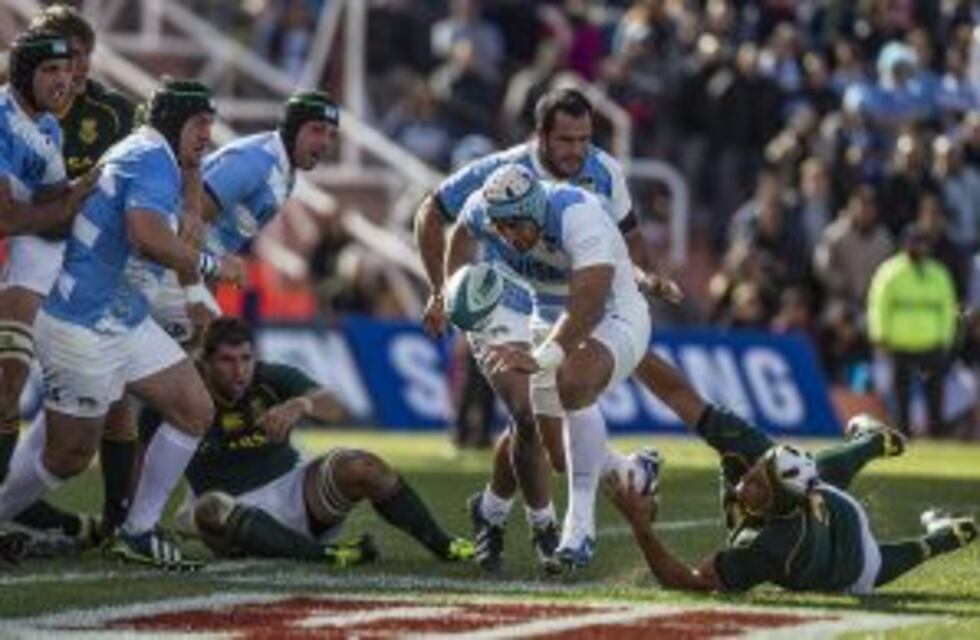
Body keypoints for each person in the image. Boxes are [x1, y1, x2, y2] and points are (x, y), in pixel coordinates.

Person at [415, 87, 679, 572]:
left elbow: (629, 236)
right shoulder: (497, 177)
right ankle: (546, 528)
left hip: (570, 302)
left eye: (585, 139)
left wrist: (647, 275)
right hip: (503, 299)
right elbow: (437, 212)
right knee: (528, 414)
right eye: (566, 140)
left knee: (552, 437)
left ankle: (494, 509)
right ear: (539, 136)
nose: (577, 151)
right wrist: (445, 290)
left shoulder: (597, 180)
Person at [0, 79, 244, 570]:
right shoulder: (150, 160)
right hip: (81, 326)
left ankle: (137, 532)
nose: (207, 136)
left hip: (122, 319)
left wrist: (193, 200)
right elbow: (147, 235)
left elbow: (185, 186)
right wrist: (212, 267)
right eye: (199, 125)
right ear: (174, 122)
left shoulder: (155, 153)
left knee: (194, 409)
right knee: (68, 455)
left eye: (211, 126)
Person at [606, 352, 977, 593]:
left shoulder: (775, 545)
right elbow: (679, 394)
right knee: (810, 469)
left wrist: (640, 527)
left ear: (777, 508)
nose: (744, 483)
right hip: (825, 497)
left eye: (758, 489)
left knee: (886, 562)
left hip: (849, 561)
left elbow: (690, 582)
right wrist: (628, 344)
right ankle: (873, 442)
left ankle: (945, 537)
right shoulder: (758, 454)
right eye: (755, 473)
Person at [447, 163, 656, 572]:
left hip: (613, 311)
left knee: (573, 384)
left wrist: (541, 357)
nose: (508, 237)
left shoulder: (579, 215)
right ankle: (628, 472)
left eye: (515, 227)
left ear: (537, 210)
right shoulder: (484, 208)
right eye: (501, 229)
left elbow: (588, 304)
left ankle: (578, 530)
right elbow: (459, 231)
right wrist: (446, 289)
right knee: (546, 441)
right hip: (529, 308)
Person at [150, 317, 475, 565]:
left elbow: (335, 407)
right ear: (204, 363)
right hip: (233, 514)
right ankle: (329, 555)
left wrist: (301, 404)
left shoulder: (269, 378)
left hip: (298, 492)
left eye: (246, 359)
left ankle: (444, 545)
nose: (240, 371)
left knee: (365, 466)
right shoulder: (180, 393)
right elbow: (135, 449)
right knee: (209, 508)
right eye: (227, 360)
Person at [15, 3, 139, 542]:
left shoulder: (113, 112)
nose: (77, 67)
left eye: (85, 54)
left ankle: (120, 519)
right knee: (9, 370)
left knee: (117, 395)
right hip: (25, 244)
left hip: (88, 258)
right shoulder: (13, 104)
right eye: (67, 55)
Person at [0, 27, 100, 542]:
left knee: (10, 381)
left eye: (69, 70)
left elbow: (57, 213)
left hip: (19, 266)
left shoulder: (49, 131)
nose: (65, 81)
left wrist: (91, 192)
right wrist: (69, 201)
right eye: (51, 71)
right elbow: (9, 216)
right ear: (23, 74)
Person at [867, 224, 959, 436]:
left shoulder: (938, 273)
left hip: (931, 343)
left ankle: (936, 434)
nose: (918, 247)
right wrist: (880, 334)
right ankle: (903, 433)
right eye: (914, 242)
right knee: (901, 394)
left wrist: (946, 336)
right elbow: (878, 304)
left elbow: (947, 307)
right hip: (900, 343)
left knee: (935, 393)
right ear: (905, 245)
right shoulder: (890, 271)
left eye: (922, 243)